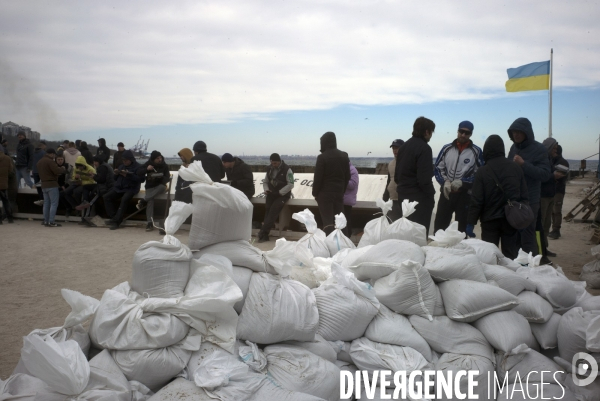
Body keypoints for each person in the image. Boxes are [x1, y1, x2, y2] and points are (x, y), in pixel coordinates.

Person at [466, 135, 528, 259]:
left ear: (486, 150)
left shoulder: (483, 171)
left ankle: (494, 277)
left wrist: (471, 223)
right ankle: (511, 276)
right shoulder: (516, 168)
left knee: (489, 255)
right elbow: (524, 196)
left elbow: (477, 200)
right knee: (510, 254)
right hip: (511, 219)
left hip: (490, 220)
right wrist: (522, 216)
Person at [507, 118, 551, 255]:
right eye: (514, 132)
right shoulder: (513, 148)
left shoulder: (539, 149)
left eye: (519, 132)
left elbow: (545, 175)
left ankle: (531, 265)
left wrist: (523, 164)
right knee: (513, 233)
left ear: (527, 132)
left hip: (530, 200)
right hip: (514, 199)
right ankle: (516, 264)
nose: (516, 135)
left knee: (528, 234)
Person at [434, 121, 484, 234]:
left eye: (467, 133)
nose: (463, 135)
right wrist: (444, 182)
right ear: (457, 131)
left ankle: (460, 251)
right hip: (446, 194)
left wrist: (464, 182)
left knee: (462, 231)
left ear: (471, 134)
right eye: (461, 131)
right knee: (440, 228)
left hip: (464, 196)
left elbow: (480, 174)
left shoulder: (476, 151)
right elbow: (437, 168)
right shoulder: (446, 148)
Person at [395, 117, 436, 235]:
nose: (431, 135)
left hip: (403, 197)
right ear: (427, 132)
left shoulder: (403, 147)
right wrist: (431, 194)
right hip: (419, 200)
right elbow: (424, 180)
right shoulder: (425, 148)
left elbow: (397, 176)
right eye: (431, 132)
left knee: (406, 233)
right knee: (419, 234)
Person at [312, 132, 351, 235]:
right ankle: (345, 242)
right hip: (338, 192)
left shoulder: (322, 157)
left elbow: (318, 178)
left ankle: (330, 244)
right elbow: (348, 177)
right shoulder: (344, 156)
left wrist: (315, 193)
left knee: (328, 222)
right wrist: (342, 191)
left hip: (325, 194)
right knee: (341, 220)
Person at [258, 153, 294, 242]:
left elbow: (291, 184)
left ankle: (263, 232)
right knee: (268, 211)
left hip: (282, 195)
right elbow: (266, 181)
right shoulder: (269, 169)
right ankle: (264, 233)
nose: (273, 165)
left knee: (273, 212)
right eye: (272, 163)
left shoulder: (287, 169)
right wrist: (266, 189)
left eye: (275, 163)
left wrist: (280, 193)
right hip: (271, 194)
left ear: (279, 162)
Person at [103, 150, 143, 230]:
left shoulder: (138, 167)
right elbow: (115, 178)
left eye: (126, 160)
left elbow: (141, 179)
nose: (124, 162)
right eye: (123, 160)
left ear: (131, 159)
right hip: (120, 188)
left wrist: (128, 175)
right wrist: (116, 174)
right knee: (106, 197)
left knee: (124, 200)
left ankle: (117, 221)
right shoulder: (121, 166)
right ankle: (114, 217)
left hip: (131, 188)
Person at [136, 151, 170, 231]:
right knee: (150, 201)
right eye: (157, 158)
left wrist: (160, 178)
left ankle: (143, 200)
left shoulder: (164, 165)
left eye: (160, 158)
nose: (159, 160)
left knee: (162, 187)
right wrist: (147, 169)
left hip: (160, 186)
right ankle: (149, 223)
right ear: (153, 159)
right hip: (150, 186)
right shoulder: (148, 163)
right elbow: (138, 172)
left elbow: (167, 177)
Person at [36, 148, 66, 227]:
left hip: (43, 184)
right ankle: (51, 221)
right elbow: (57, 171)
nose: (54, 156)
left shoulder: (39, 162)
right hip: (52, 184)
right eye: (54, 155)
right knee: (54, 203)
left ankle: (46, 221)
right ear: (51, 154)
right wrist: (62, 168)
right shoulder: (50, 161)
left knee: (46, 203)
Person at [549, 145, 569, 240]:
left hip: (558, 190)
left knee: (556, 210)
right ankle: (554, 229)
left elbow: (560, 176)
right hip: (553, 190)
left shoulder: (562, 162)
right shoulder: (554, 161)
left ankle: (556, 230)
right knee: (553, 211)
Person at [383, 139, 405, 221]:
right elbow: (389, 181)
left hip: (404, 200)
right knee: (393, 224)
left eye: (397, 148)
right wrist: (385, 198)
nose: (395, 150)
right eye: (393, 148)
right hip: (393, 199)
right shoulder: (391, 164)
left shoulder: (408, 162)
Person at [343, 162, 359, 237]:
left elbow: (352, 185)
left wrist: (342, 180)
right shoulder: (343, 169)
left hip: (347, 200)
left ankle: (348, 236)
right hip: (342, 199)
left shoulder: (352, 170)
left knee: (346, 219)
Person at [0, 145, 15, 224]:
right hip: (4, 183)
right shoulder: (7, 158)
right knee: (5, 201)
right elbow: (10, 170)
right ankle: (10, 218)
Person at [31, 140, 48, 205]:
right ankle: (44, 199)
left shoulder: (33, 152)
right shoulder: (43, 153)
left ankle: (40, 198)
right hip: (42, 172)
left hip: (35, 171)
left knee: (38, 186)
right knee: (43, 186)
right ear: (43, 146)